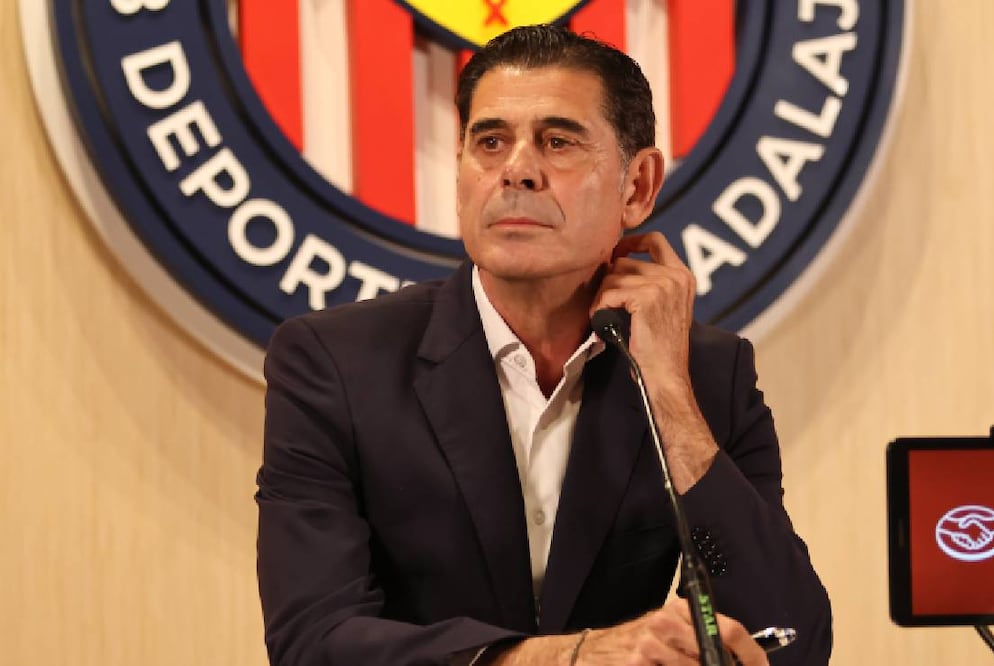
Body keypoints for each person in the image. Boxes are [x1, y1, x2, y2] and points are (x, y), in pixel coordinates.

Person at [256, 24, 831, 666]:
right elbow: (313, 641)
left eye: (558, 142)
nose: (517, 172)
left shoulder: (707, 373)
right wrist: (574, 657)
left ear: (637, 186)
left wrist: (670, 396)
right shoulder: (335, 363)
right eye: (491, 142)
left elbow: (791, 639)